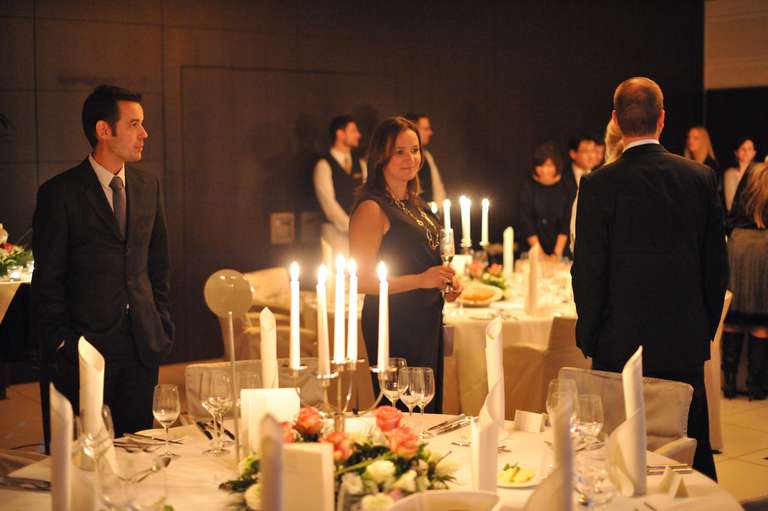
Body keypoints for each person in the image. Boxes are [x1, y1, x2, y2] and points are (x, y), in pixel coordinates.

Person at [572, 77, 728, 480]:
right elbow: (716, 268)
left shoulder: (597, 183)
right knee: (689, 456)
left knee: (618, 459)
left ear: (616, 121)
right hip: (683, 342)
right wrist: (702, 333)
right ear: (662, 120)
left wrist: (590, 337)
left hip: (617, 343)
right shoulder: (699, 178)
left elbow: (588, 272)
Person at [32, 85, 174, 437]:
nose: (145, 134)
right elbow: (47, 278)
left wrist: (161, 320)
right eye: (134, 124)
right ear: (103, 130)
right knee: (81, 460)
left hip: (141, 343)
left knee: (138, 450)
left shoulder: (147, 185)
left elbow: (158, 263)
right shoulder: (59, 193)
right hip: (83, 349)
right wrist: (63, 343)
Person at [349, 117, 462, 413]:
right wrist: (421, 280)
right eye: (399, 151)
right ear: (380, 156)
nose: (409, 159)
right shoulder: (372, 208)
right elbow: (361, 281)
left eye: (414, 150)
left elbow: (428, 260)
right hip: (392, 322)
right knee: (401, 412)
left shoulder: (418, 206)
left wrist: (446, 283)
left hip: (426, 320)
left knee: (427, 408)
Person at [722, 162, 768, 400]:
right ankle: (755, 386)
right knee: (761, 322)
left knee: (733, 318)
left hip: (738, 246)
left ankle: (728, 384)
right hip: (764, 249)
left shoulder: (751, 171)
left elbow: (731, 215)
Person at [313, 115, 367, 255]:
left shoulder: (361, 164)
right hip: (334, 234)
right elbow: (329, 205)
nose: (358, 135)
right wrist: (350, 226)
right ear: (340, 133)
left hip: (360, 233)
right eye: (353, 130)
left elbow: (368, 195)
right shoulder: (324, 165)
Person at [570, 119, 623, 251]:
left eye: (594, 151)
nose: (593, 156)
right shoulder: (594, 180)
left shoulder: (598, 181)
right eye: (587, 151)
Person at [518, 142, 572, 258]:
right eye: (540, 166)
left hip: (560, 247)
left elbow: (566, 222)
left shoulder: (567, 186)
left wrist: (556, 253)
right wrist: (539, 253)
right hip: (532, 247)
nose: (544, 170)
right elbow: (526, 222)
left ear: (557, 166)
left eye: (549, 165)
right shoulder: (528, 186)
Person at [403, 112, 447, 204]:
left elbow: (437, 188)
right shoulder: (402, 159)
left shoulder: (427, 156)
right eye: (426, 129)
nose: (430, 132)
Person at [723, 137, 757, 213]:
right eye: (742, 148)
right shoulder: (729, 174)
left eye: (749, 149)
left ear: (754, 153)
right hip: (736, 219)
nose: (746, 152)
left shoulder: (758, 174)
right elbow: (730, 205)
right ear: (736, 152)